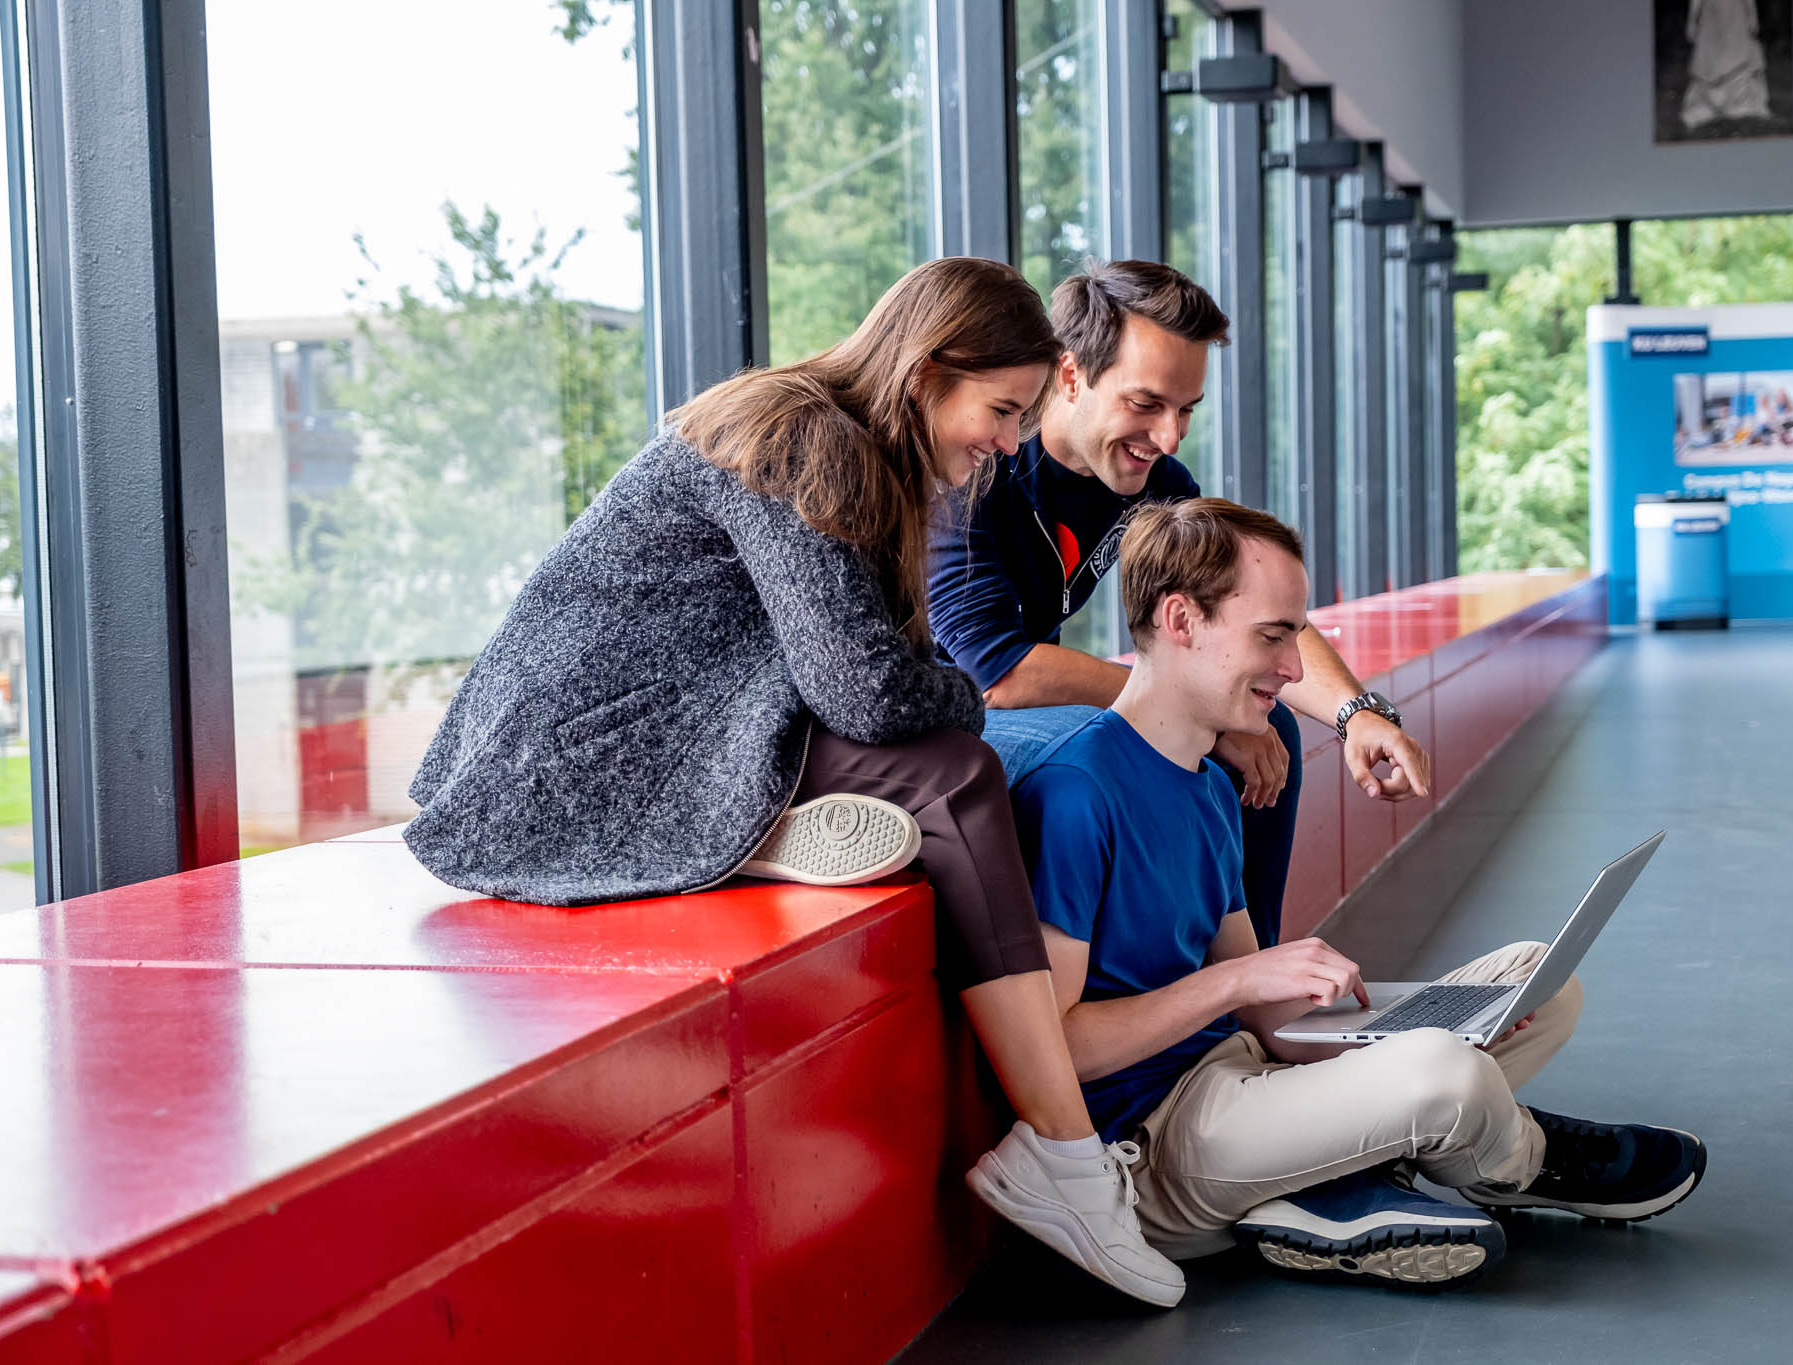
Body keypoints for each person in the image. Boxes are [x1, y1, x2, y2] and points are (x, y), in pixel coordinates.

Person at [404, 257, 1184, 1308]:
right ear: (927, 373)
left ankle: (769, 825)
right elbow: (867, 688)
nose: (1008, 442)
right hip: (575, 762)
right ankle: (1063, 1152)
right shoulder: (796, 437)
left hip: (686, 721)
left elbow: (871, 666)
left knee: (962, 765)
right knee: (957, 777)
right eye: (1001, 411)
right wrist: (966, 694)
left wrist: (933, 688)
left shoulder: (862, 449)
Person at [1009, 497, 1707, 1286]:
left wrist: (1395, 1026)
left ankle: (1349, 1174)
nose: (1292, 667)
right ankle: (1519, 1157)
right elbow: (1057, 1047)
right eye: (1272, 636)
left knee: (1539, 981)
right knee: (1449, 1076)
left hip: (1248, 1075)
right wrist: (1241, 982)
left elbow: (1265, 1020)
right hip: (1160, 1141)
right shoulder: (1075, 792)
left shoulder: (1206, 788)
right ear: (1181, 620)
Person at [927, 258, 1430, 952]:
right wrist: (1192, 713)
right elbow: (999, 674)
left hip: (1008, 704)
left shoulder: (1153, 480)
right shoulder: (975, 470)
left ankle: (1255, 977)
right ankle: (1158, 986)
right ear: (1070, 375)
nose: (1168, 437)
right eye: (1146, 404)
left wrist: (1357, 715)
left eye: (1186, 410)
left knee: (1267, 726)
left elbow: (1256, 610)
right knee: (1170, 739)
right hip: (942, 722)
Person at [1680, 0, 1770, 131]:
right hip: (1711, 15)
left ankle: (1740, 102)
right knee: (1711, 57)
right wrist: (1692, 21)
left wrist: (1752, 15)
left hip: (1736, 13)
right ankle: (1711, 103)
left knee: (1739, 52)